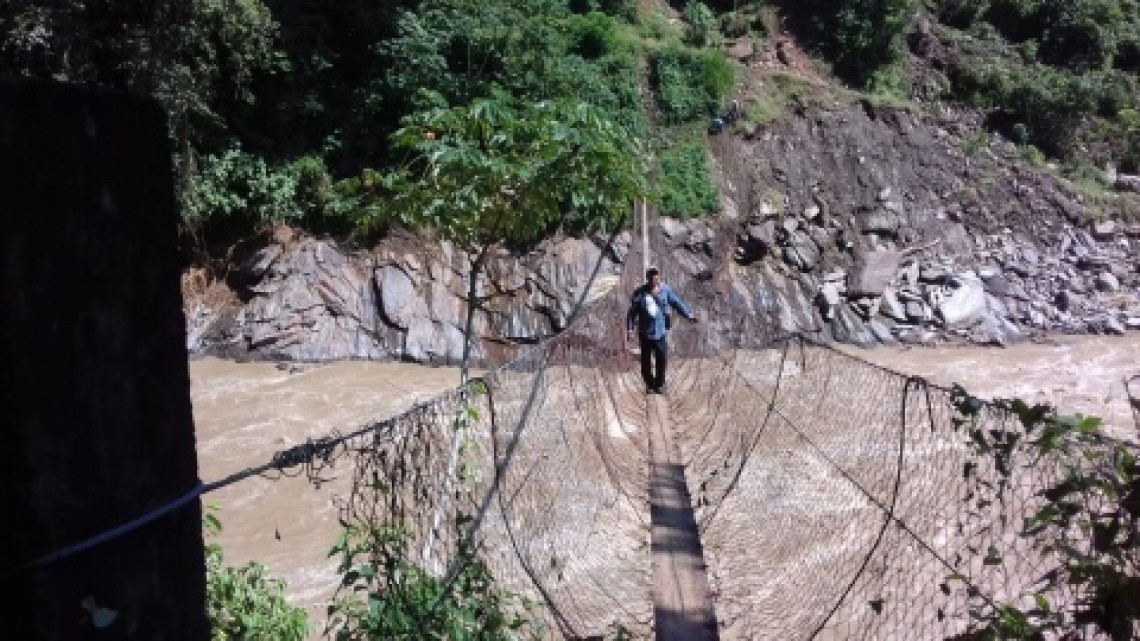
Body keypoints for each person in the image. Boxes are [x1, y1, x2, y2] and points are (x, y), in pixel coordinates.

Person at [626, 267, 698, 394]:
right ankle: (649, 384)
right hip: (645, 332)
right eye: (652, 276)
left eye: (656, 276)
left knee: (661, 359)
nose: (655, 279)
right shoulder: (639, 293)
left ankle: (659, 384)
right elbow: (631, 314)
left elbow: (677, 303)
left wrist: (688, 315)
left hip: (660, 332)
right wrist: (630, 329)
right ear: (648, 278)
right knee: (645, 361)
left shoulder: (665, 290)